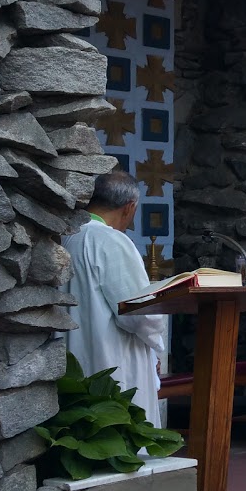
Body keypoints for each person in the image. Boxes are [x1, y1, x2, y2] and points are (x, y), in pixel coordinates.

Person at [63, 171, 168, 426]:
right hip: (114, 358)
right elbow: (138, 311)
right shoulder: (111, 240)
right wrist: (157, 342)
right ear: (129, 207)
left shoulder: (67, 236)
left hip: (73, 354)